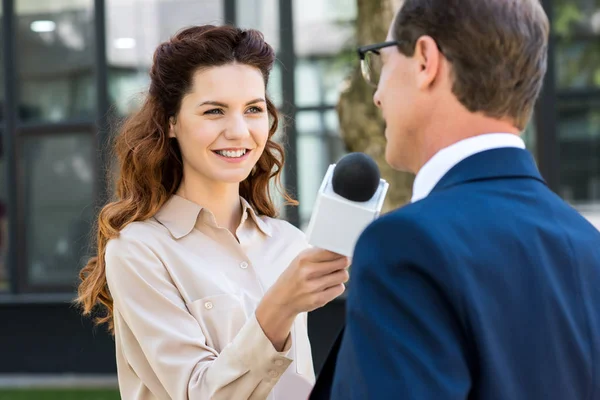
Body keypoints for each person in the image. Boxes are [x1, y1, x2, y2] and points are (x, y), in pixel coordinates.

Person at [311, 0, 600, 399]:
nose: (376, 95)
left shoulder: (404, 245)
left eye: (380, 59)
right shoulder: (589, 246)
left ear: (426, 60)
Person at [76, 25, 350, 400]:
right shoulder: (139, 250)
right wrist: (279, 305)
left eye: (253, 109)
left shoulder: (289, 243)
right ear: (171, 122)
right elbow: (197, 392)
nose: (238, 131)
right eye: (214, 111)